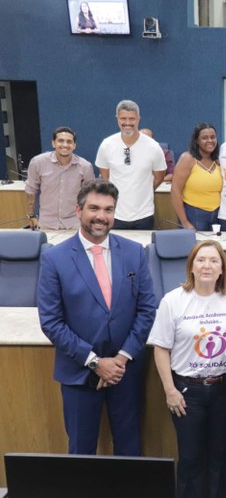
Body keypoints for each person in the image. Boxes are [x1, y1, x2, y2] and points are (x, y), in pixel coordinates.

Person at [37, 179, 156, 455]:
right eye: (94, 208)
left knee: (130, 450)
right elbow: (51, 322)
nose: (101, 216)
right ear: (79, 211)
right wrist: (95, 362)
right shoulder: (55, 259)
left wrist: (121, 359)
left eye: (108, 209)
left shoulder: (134, 252)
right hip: (79, 373)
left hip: (125, 372)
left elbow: (147, 309)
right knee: (81, 452)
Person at [147, 240, 226, 498]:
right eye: (201, 260)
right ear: (191, 266)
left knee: (221, 456)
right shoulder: (173, 301)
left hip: (224, 388)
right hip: (187, 391)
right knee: (190, 458)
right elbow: (161, 349)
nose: (207, 266)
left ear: (222, 268)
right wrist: (170, 390)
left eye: (214, 261)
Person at [95, 100, 167, 229]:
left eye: (132, 119)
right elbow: (106, 177)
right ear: (117, 118)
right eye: (123, 118)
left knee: (142, 249)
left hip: (144, 214)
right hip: (115, 213)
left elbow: (159, 176)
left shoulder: (153, 147)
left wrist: (144, 191)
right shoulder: (107, 145)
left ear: (138, 119)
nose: (127, 123)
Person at [24, 126, 95, 229]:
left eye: (69, 142)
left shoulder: (85, 167)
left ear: (74, 145)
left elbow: (90, 196)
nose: (65, 145)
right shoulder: (38, 162)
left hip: (75, 223)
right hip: (46, 224)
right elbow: (30, 190)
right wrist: (30, 215)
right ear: (53, 143)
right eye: (60, 141)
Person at [170, 123, 222, 231]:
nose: (210, 141)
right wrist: (185, 222)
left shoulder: (218, 160)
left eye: (213, 137)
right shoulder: (187, 158)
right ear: (196, 141)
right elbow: (175, 190)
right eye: (204, 138)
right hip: (194, 215)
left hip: (217, 215)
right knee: (195, 247)